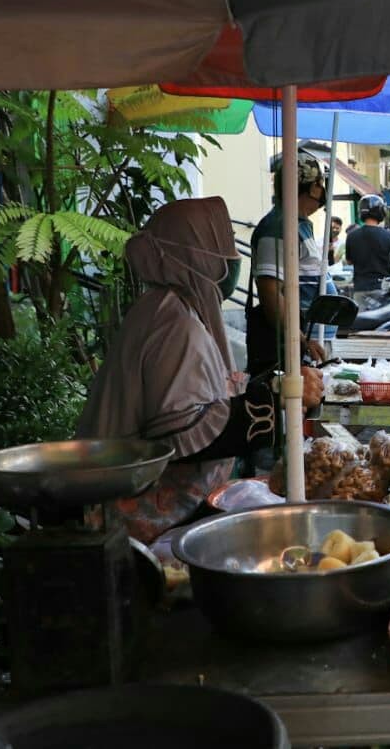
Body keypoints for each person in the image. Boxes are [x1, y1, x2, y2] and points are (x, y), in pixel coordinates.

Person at [78, 197, 323, 542]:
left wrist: (275, 387)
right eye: (221, 242)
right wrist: (276, 400)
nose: (231, 258)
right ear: (195, 252)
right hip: (136, 520)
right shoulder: (173, 324)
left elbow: (208, 396)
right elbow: (184, 436)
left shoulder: (170, 309)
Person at [247, 150, 333, 377]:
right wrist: (301, 340)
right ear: (310, 187)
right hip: (290, 351)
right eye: (319, 183)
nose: (323, 190)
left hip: (305, 344)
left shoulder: (297, 224)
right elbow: (271, 293)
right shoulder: (277, 229)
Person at [345, 194, 390, 305]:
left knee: (363, 320)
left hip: (360, 289)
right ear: (381, 211)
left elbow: (349, 261)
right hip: (382, 288)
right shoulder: (389, 235)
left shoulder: (351, 236)